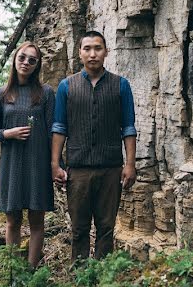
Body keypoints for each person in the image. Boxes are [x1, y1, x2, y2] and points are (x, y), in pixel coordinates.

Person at [51, 30, 137, 261]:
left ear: (106, 52)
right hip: (78, 170)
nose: (92, 54)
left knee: (106, 227)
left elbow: (128, 128)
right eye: (87, 49)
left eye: (97, 48)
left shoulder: (121, 86)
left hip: (111, 168)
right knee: (79, 229)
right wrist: (55, 164)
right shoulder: (66, 87)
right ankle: (80, 276)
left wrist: (130, 165)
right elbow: (59, 127)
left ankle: (102, 277)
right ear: (79, 53)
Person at [0, 41, 55, 267]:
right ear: (15, 59)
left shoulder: (45, 93)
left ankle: (31, 271)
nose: (26, 63)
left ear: (37, 65)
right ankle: (13, 272)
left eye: (32, 60)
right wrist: (8, 133)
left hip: (38, 164)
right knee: (12, 220)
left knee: (37, 220)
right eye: (22, 58)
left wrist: (57, 164)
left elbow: (52, 132)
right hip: (11, 164)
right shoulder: (1, 94)